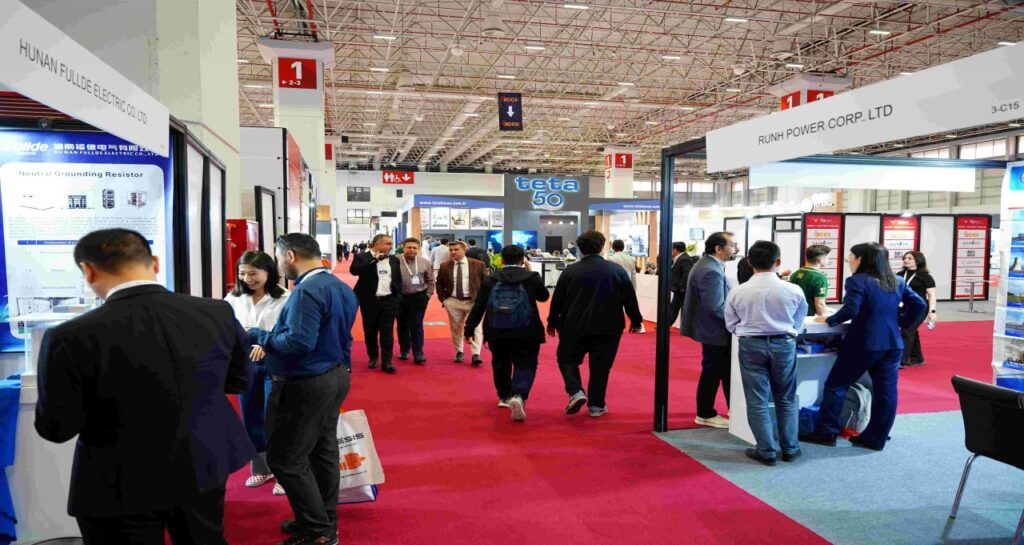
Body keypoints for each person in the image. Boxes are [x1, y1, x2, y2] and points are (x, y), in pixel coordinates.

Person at [35, 228, 253, 544]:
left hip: (118, 478)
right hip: (202, 460)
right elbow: (239, 380)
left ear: (88, 270)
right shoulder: (216, 311)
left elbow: (57, 428)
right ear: (156, 262)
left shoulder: (69, 336)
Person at [250, 233, 357, 545]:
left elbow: (298, 342)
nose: (278, 264)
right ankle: (323, 522)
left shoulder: (307, 291)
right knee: (322, 453)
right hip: (333, 376)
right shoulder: (339, 286)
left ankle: (317, 530)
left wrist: (258, 336)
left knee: (285, 458)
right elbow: (343, 337)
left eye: (278, 257)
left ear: (290, 256)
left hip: (306, 382)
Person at [800, 242, 927, 451]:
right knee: (886, 392)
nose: (848, 261)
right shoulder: (896, 280)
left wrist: (830, 320)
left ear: (861, 259)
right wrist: (902, 323)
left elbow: (851, 309)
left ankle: (826, 432)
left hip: (863, 343)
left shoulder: (857, 281)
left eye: (850, 257)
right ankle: (876, 437)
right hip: (892, 344)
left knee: (836, 386)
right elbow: (919, 304)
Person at [724, 241, 808, 466]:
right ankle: (790, 448)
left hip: (751, 345)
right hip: (784, 344)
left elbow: (730, 323)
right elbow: (799, 320)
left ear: (749, 262)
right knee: (786, 398)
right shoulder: (793, 289)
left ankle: (766, 450)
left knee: (757, 400)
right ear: (778, 262)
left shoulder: (738, 291)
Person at [548, 230, 643, 417]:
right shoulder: (616, 271)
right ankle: (596, 405)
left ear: (580, 249)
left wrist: (552, 321)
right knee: (601, 367)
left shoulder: (569, 271)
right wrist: (636, 320)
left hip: (573, 325)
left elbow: (557, 300)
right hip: (609, 326)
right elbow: (629, 298)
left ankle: (575, 390)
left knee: (566, 359)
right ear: (602, 246)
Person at [225, 250, 290, 492]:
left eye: (253, 273)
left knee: (274, 418)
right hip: (245, 365)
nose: (247, 279)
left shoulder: (285, 298)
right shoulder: (233, 298)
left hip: (275, 363)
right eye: (242, 273)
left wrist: (266, 345)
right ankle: (261, 468)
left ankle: (284, 472)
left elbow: (287, 332)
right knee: (250, 417)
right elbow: (228, 329)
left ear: (268, 272)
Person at [464, 244, 550, 421]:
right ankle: (519, 394)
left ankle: (504, 396)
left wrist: (469, 328)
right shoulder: (532, 277)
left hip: (497, 329)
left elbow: (479, 305)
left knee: (500, 362)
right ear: (522, 260)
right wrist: (530, 273)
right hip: (527, 330)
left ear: (502, 260)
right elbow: (543, 297)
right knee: (526, 363)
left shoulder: (491, 279)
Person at [681, 231, 738, 429]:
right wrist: (737, 321)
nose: (736, 249)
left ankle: (727, 410)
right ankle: (705, 413)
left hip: (713, 330)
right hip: (715, 331)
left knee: (719, 371)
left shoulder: (708, 265)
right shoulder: (710, 270)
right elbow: (715, 307)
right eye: (732, 245)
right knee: (713, 372)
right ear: (718, 248)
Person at [351, 234, 402, 373]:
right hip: (369, 301)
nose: (391, 246)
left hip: (389, 300)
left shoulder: (394, 259)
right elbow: (354, 271)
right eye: (387, 243)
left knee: (387, 332)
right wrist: (374, 260)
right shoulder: (362, 256)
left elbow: (398, 279)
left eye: (391, 243)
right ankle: (373, 357)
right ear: (377, 244)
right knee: (370, 331)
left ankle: (387, 362)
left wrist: (397, 298)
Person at [436, 240, 489, 364]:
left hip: (473, 301)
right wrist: (444, 300)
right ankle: (459, 351)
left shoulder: (478, 264)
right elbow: (439, 284)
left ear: (464, 250)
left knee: (476, 327)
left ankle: (476, 354)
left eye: (456, 249)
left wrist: (482, 300)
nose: (453, 252)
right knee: (456, 328)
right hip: (453, 301)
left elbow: (486, 283)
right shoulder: (445, 266)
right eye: (451, 250)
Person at [397, 237, 435, 364]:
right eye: (409, 247)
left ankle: (418, 352)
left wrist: (428, 295)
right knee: (402, 324)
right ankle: (404, 349)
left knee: (417, 324)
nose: (412, 250)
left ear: (418, 249)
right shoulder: (395, 261)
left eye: (414, 248)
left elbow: (430, 281)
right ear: (403, 248)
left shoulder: (425, 262)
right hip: (400, 298)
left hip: (419, 297)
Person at [899, 251, 937, 367]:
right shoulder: (899, 275)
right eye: (905, 258)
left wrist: (932, 312)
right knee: (911, 330)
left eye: (909, 258)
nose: (906, 260)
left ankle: (900, 360)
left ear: (918, 261)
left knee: (907, 329)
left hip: (919, 308)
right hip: (903, 307)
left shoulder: (925, 276)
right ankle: (917, 358)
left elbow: (932, 295)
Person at [790, 245, 831, 316]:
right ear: (820, 259)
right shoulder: (819, 278)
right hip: (809, 316)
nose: (828, 260)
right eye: (827, 257)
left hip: (794, 314)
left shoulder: (795, 273)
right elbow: (820, 304)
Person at [669, 241, 694, 326]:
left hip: (682, 289)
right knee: (674, 307)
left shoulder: (684, 259)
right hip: (679, 289)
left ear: (675, 249)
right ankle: (666, 324)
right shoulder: (679, 258)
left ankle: (667, 324)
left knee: (677, 308)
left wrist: (682, 286)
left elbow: (687, 273)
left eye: (672, 248)